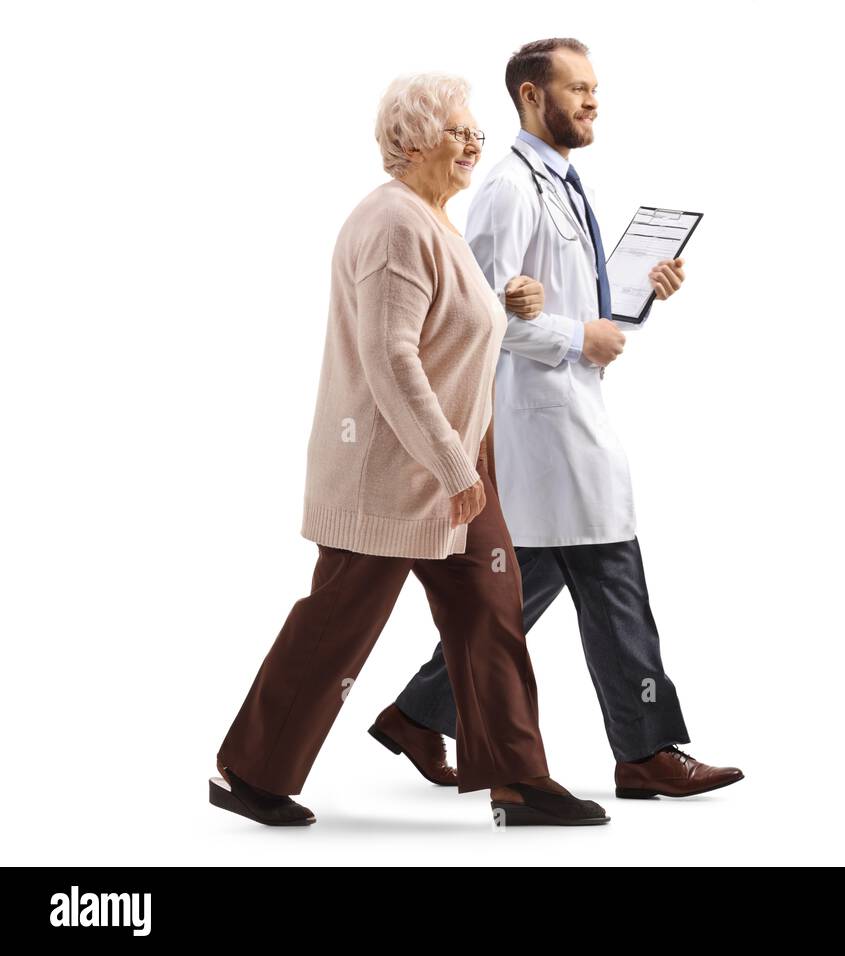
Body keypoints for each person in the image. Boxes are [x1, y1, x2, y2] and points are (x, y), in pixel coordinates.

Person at [211, 71, 608, 827]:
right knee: (338, 626)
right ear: (411, 139)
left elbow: (441, 326)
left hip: (455, 466)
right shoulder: (393, 223)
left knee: (494, 613)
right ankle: (248, 770)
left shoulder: (431, 219)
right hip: (392, 473)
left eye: (475, 134)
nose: (472, 145)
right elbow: (393, 358)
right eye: (457, 131)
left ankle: (519, 779)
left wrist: (505, 305)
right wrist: (454, 467)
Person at [373, 40, 743, 800]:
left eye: (596, 88)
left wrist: (635, 296)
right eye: (578, 88)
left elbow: (560, 298)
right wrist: (581, 335)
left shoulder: (563, 185)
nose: (593, 100)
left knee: (531, 581)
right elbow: (476, 316)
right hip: (539, 424)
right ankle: (647, 751)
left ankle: (417, 713)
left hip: (565, 418)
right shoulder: (509, 190)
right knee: (611, 572)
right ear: (532, 98)